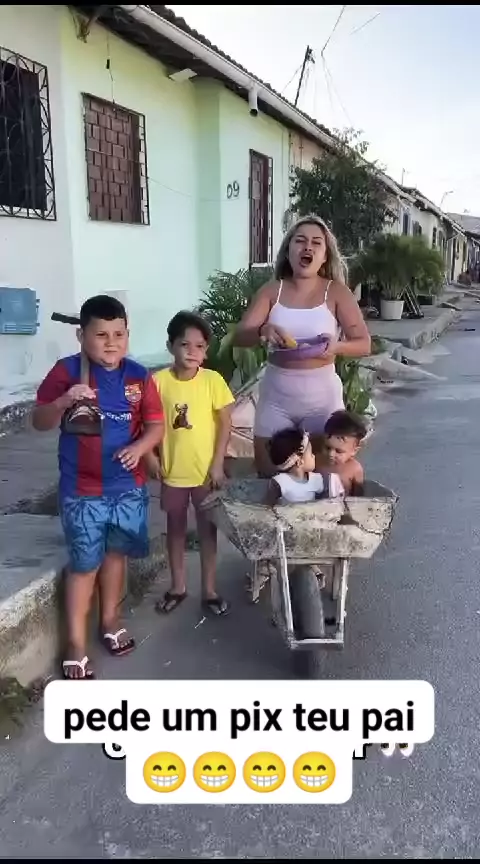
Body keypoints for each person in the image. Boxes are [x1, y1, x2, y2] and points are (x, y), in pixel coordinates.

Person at [32, 295, 164, 680]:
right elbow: (39, 421)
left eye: (119, 334)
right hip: (82, 492)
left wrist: (140, 448)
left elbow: (156, 425)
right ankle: (75, 643)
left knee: (115, 556)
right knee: (84, 564)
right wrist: (63, 401)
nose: (111, 343)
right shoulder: (67, 371)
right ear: (81, 335)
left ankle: (110, 621)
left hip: (128, 490)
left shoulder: (138, 376)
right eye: (101, 335)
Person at [232, 214, 371, 477]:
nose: (308, 247)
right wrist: (262, 330)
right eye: (300, 241)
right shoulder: (271, 291)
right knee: (269, 475)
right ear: (288, 251)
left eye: (316, 243)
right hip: (276, 399)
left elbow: (364, 344)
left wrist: (337, 347)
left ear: (325, 256)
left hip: (322, 400)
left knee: (322, 480)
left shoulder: (337, 292)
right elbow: (240, 336)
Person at [147, 311, 235, 616]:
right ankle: (178, 587)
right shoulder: (157, 383)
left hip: (205, 474)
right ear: (170, 346)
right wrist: (149, 457)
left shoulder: (212, 381)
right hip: (172, 472)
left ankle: (209, 590)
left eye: (199, 346)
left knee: (208, 531)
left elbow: (225, 423)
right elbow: (145, 423)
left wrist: (218, 463)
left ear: (206, 351)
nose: (192, 352)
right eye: (185, 345)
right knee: (175, 529)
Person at [265, 427, 345, 505]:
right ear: (299, 462)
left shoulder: (316, 479)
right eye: (311, 453)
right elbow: (267, 507)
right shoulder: (280, 482)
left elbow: (331, 489)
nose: (313, 456)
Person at [316, 410, 366, 495]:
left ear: (354, 451)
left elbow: (358, 496)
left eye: (338, 451)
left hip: (343, 503)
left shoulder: (355, 469)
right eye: (327, 448)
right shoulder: (316, 461)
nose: (331, 454)